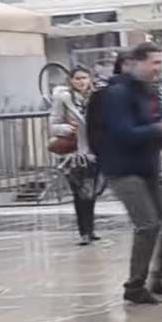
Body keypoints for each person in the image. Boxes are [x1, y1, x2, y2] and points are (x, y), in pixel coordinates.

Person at [97, 43, 162, 304]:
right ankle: (135, 286)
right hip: (123, 170)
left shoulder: (150, 92)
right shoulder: (117, 94)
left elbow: (154, 126)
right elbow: (123, 133)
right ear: (135, 63)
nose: (157, 68)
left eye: (160, 63)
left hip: (148, 168)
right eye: (153, 63)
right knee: (148, 224)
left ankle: (159, 280)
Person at [50, 66, 103, 245]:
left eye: (85, 78)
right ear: (71, 81)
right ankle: (84, 232)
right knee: (80, 193)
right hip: (73, 153)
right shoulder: (63, 99)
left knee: (92, 192)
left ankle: (90, 228)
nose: (81, 82)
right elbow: (53, 125)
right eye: (78, 78)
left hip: (93, 151)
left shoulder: (97, 98)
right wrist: (67, 128)